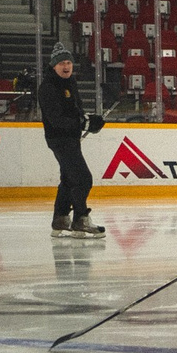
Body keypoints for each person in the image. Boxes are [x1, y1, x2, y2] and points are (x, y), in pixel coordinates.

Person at [38, 46, 104, 238]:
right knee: (83, 178)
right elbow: (55, 119)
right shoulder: (49, 87)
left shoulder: (70, 82)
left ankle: (60, 219)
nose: (66, 66)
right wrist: (83, 122)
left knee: (68, 178)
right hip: (59, 139)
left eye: (68, 62)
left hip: (70, 138)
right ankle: (80, 220)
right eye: (61, 63)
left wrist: (88, 120)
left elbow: (74, 111)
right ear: (53, 66)